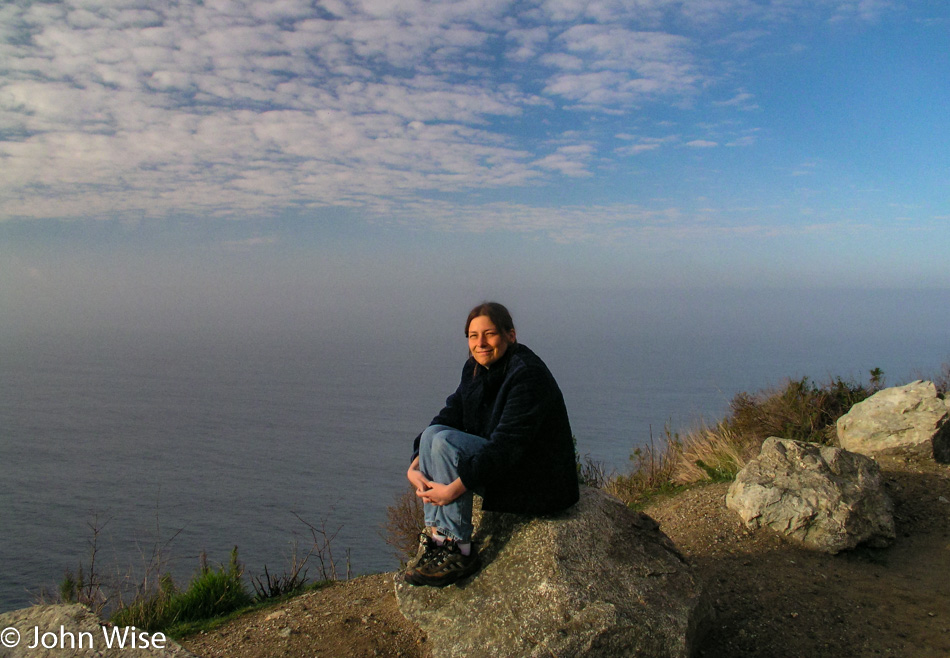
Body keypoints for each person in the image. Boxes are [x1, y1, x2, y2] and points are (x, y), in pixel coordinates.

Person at [404, 302, 580, 587]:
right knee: (432, 435)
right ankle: (439, 539)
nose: (480, 343)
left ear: (510, 335)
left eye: (489, 334)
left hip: (537, 480)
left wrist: (453, 490)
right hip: (506, 467)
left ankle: (458, 550)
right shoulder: (475, 369)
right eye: (473, 336)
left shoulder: (527, 375)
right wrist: (415, 463)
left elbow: (507, 447)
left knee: (445, 442)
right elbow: (451, 412)